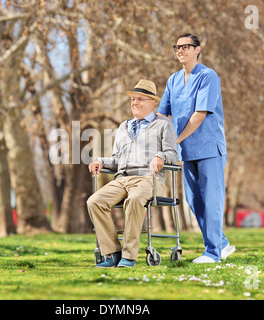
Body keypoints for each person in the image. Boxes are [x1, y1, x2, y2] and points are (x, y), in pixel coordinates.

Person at [157, 33, 235, 263]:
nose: (180, 50)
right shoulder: (172, 80)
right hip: (186, 150)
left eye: (186, 47)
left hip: (209, 147)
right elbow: (163, 113)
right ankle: (221, 244)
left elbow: (200, 114)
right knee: (193, 200)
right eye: (177, 47)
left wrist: (175, 139)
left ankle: (212, 252)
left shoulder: (208, 76)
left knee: (211, 200)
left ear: (198, 49)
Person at [87, 79, 178, 268]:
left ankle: (129, 256)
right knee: (94, 201)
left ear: (153, 102)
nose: (134, 103)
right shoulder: (123, 127)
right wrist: (100, 161)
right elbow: (117, 160)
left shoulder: (163, 124)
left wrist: (160, 157)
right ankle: (112, 253)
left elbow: (172, 154)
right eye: (132, 99)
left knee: (135, 199)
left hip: (149, 179)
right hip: (122, 179)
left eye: (140, 99)